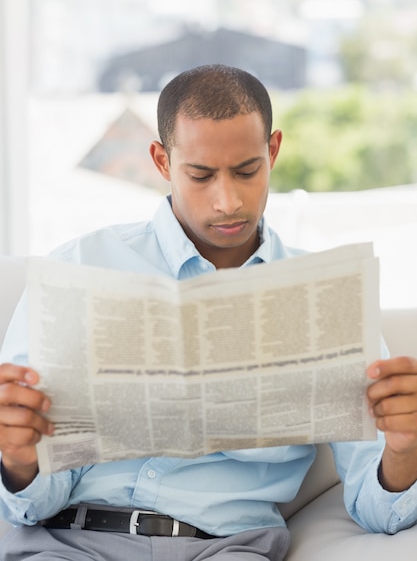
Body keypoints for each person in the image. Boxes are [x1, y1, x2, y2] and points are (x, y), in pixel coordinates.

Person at [1, 64, 417, 561]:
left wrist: (404, 447)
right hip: (69, 541)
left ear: (274, 150)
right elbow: (29, 503)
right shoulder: (79, 267)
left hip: (227, 548)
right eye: (200, 175)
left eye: (247, 171)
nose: (229, 201)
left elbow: (378, 510)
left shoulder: (328, 296)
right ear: (161, 160)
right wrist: (18, 458)